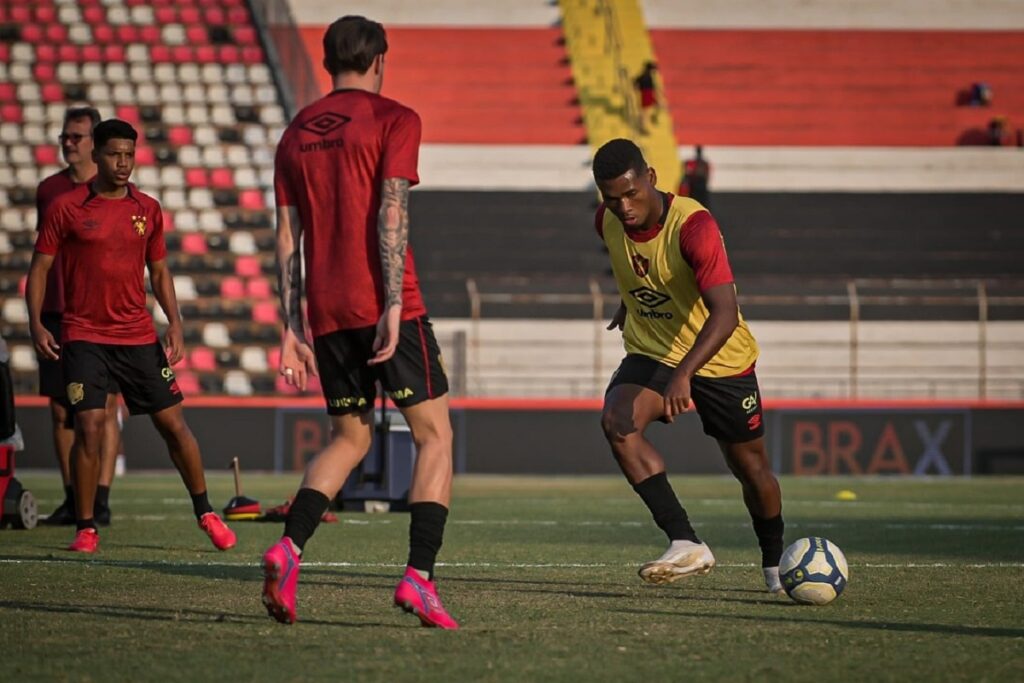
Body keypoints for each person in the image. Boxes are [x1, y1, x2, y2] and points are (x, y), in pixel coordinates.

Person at [263, 15, 458, 628]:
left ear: (327, 63)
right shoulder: (396, 118)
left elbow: (286, 237)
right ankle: (418, 580)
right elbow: (391, 212)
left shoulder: (294, 134)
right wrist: (395, 306)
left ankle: (288, 548)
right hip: (385, 303)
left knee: (349, 438)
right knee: (435, 437)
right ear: (379, 60)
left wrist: (289, 326)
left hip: (324, 311)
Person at [26, 119, 236, 554]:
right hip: (83, 334)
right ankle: (86, 526)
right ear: (97, 156)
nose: (123, 163)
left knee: (173, 425)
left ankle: (206, 511)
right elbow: (40, 267)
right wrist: (36, 323)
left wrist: (174, 322)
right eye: (114, 154)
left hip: (137, 336)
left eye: (129, 154)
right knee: (89, 424)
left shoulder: (148, 209)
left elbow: (159, 270)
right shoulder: (66, 207)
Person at [591, 138, 786, 594]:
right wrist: (628, 301)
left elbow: (724, 311)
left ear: (651, 179)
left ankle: (775, 567)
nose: (623, 206)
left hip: (719, 357)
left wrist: (684, 374)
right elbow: (636, 266)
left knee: (750, 468)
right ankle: (684, 540)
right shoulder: (605, 221)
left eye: (631, 193)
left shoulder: (694, 226)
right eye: (611, 197)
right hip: (654, 348)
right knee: (617, 421)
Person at [35, 106, 123, 527]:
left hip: (102, 314)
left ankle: (100, 499)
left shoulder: (117, 190)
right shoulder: (48, 190)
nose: (68, 143)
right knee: (60, 410)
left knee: (102, 408)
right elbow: (43, 257)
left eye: (76, 137)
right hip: (57, 312)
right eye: (64, 137)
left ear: (96, 143)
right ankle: (74, 498)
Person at [634, 61, 660, 134]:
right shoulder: (647, 76)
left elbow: (635, 83)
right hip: (646, 94)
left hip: (647, 94)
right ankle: (643, 127)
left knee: (646, 112)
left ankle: (646, 124)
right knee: (645, 113)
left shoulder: (644, 75)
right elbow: (652, 88)